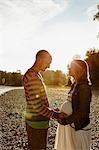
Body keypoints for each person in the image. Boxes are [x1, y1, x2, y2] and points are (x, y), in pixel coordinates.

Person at [23, 50, 66, 150]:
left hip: (39, 121)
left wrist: (53, 110)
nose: (49, 66)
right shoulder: (32, 76)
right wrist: (56, 115)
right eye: (48, 63)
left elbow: (39, 101)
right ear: (40, 59)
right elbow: (37, 105)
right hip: (36, 123)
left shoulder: (36, 74)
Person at [54, 59, 92, 150]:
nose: (69, 68)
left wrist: (65, 121)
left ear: (79, 70)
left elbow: (83, 112)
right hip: (71, 124)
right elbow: (71, 103)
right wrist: (59, 111)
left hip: (78, 126)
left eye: (71, 67)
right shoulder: (75, 84)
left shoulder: (84, 87)